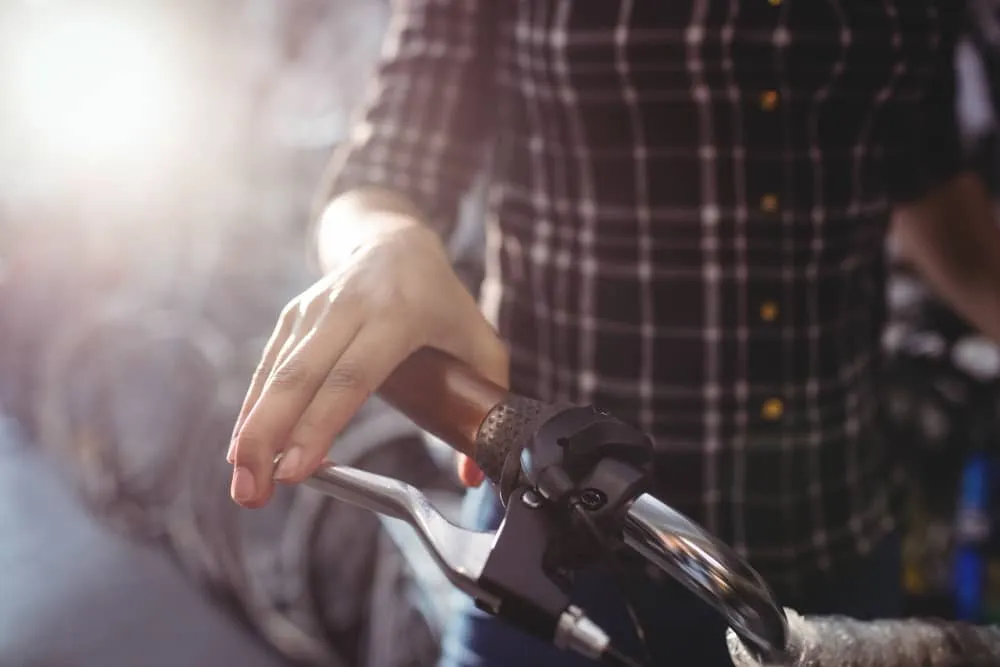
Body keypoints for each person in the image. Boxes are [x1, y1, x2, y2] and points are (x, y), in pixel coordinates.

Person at [227, 2, 1000, 665]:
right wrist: (385, 247)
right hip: (557, 556)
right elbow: (382, 173)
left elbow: (931, 190)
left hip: (837, 553)